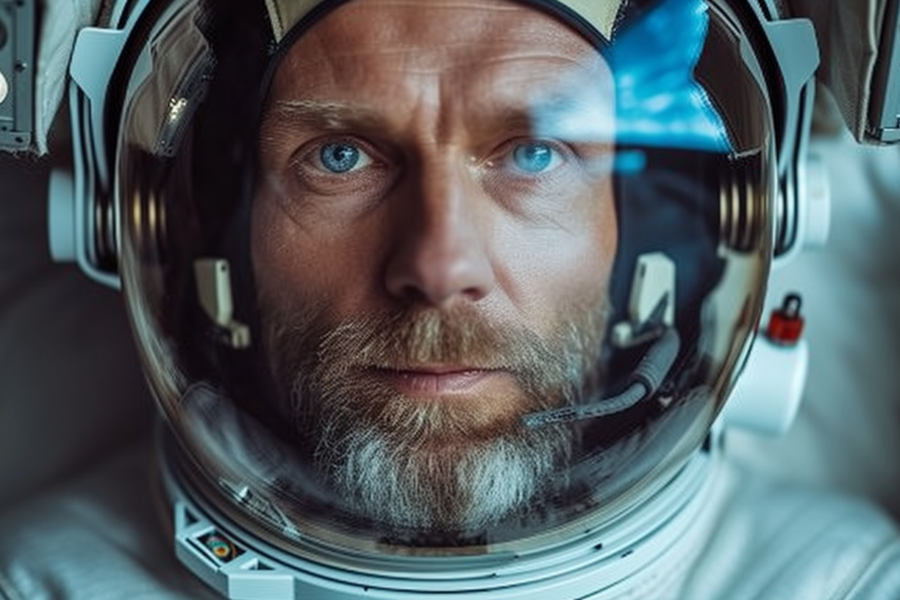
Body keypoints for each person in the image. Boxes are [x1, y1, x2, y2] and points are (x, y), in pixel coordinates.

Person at [0, 0, 899, 598]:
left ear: (651, 236)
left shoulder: (842, 582)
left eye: (537, 152)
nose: (437, 265)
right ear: (197, 223)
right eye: (340, 156)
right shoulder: (40, 581)